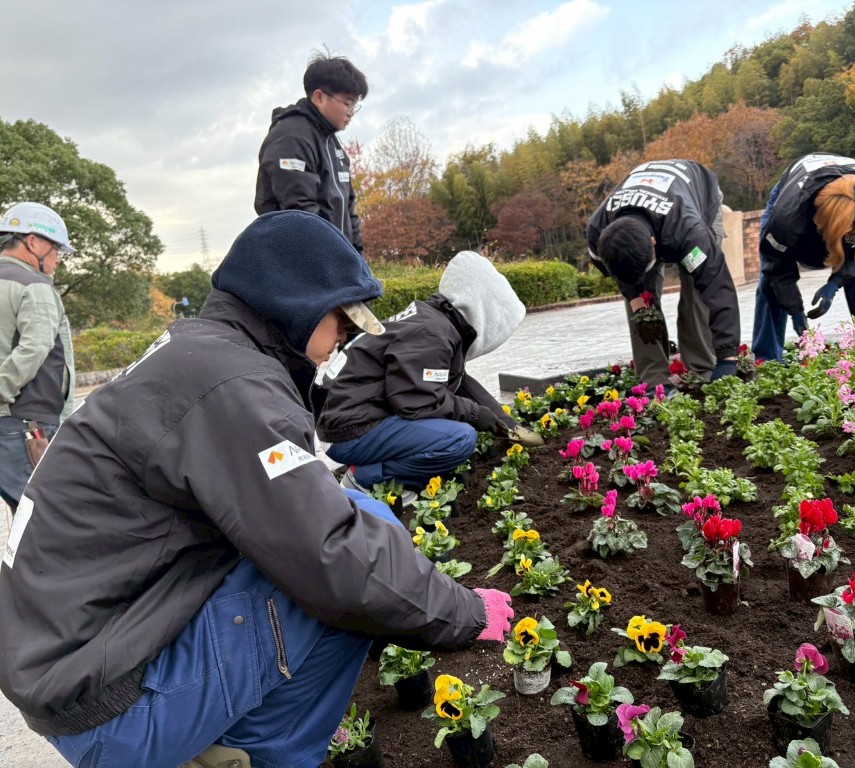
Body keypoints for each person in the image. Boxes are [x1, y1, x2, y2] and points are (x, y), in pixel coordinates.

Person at [0, 211, 514, 768]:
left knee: (356, 521)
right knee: (340, 583)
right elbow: (330, 558)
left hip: (74, 667)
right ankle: (265, 754)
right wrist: (464, 613)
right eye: (342, 317)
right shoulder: (234, 386)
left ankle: (227, 733)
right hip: (108, 714)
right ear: (296, 306)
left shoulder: (203, 351)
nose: (344, 334)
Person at [319, 250, 543, 494]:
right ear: (484, 316)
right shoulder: (433, 335)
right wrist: (475, 414)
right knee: (459, 439)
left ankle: (379, 467)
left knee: (450, 427)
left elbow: (460, 383)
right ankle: (363, 478)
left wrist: (505, 422)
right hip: (348, 431)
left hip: (347, 419)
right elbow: (416, 401)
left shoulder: (434, 321)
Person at [586, 159, 741, 384]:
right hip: (648, 211)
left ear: (653, 242)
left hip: (698, 195)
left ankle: (701, 370)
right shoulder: (597, 233)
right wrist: (636, 299)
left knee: (696, 292)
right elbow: (624, 278)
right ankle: (653, 379)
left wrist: (728, 357)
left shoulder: (688, 231)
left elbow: (717, 287)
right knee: (639, 305)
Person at [752, 153, 855, 362]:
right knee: (770, 282)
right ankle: (767, 360)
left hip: (850, 196)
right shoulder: (787, 219)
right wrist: (795, 310)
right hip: (794, 194)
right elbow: (777, 267)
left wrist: (835, 282)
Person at [0, 202, 76, 510]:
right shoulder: (35, 286)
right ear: (33, 241)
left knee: (21, 515)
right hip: (29, 421)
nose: (58, 258)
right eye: (56, 248)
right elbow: (34, 348)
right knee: (47, 515)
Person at [255, 52, 367, 253]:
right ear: (319, 97)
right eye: (347, 103)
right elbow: (300, 213)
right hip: (303, 266)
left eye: (355, 105)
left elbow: (348, 210)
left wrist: (357, 261)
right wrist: (331, 261)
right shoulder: (291, 138)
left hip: (335, 263)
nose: (351, 112)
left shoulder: (332, 143)